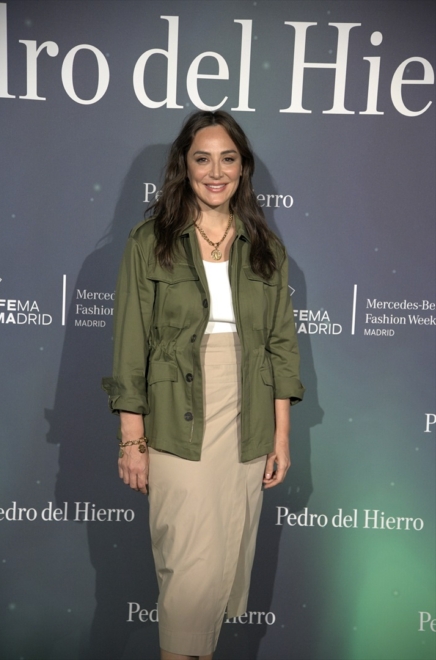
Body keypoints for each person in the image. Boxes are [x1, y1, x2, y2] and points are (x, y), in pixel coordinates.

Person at [102, 110, 304, 660]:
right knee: (187, 569)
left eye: (228, 158)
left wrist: (280, 436)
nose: (216, 171)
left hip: (248, 417)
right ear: (183, 167)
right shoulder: (150, 241)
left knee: (220, 566)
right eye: (202, 158)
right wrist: (131, 437)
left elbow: (281, 346)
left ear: (243, 168)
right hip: (176, 414)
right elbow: (130, 344)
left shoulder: (267, 250)